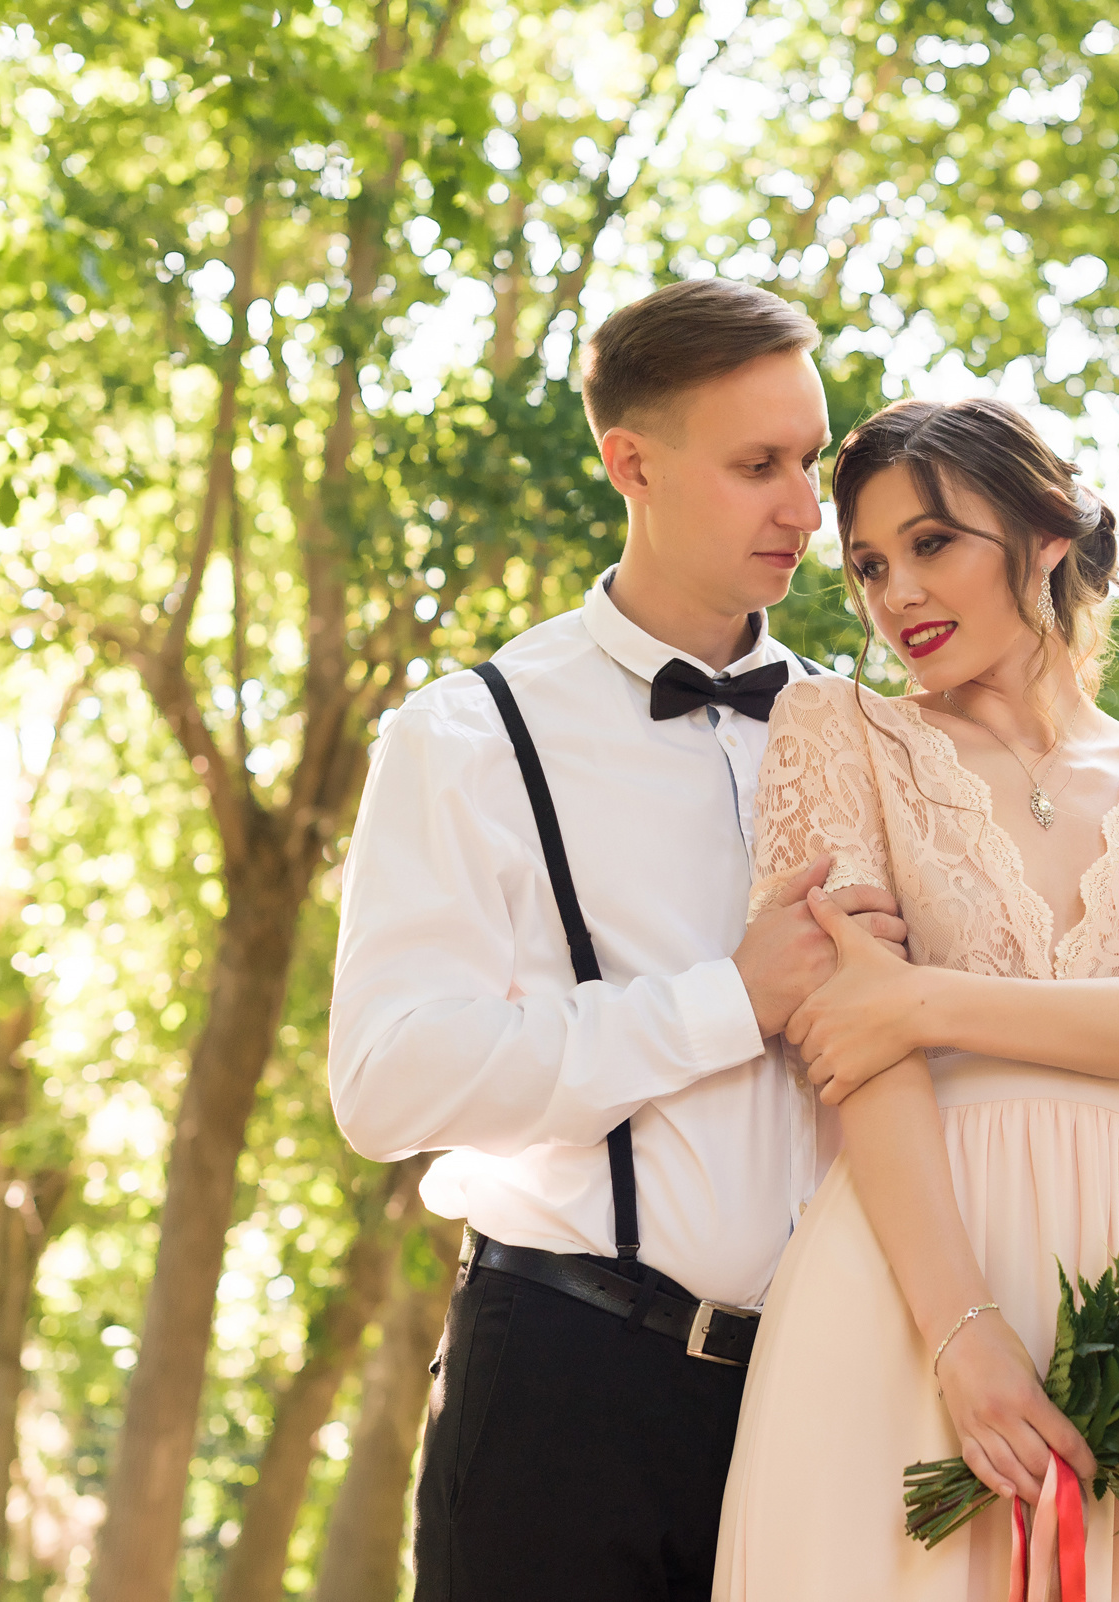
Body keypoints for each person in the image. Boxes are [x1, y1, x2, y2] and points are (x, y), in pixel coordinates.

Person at [327, 277, 910, 1602]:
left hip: (826, 1408)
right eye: (758, 466)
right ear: (630, 464)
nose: (805, 510)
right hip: (561, 1393)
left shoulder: (873, 735)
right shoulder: (468, 733)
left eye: (810, 460)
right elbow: (386, 1081)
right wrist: (727, 1002)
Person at [712, 397, 1119, 1599]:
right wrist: (961, 1335)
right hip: (903, 1282)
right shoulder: (839, 733)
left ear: (1045, 538)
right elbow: (855, 1052)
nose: (896, 595)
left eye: (932, 544)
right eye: (870, 565)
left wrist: (924, 1001)